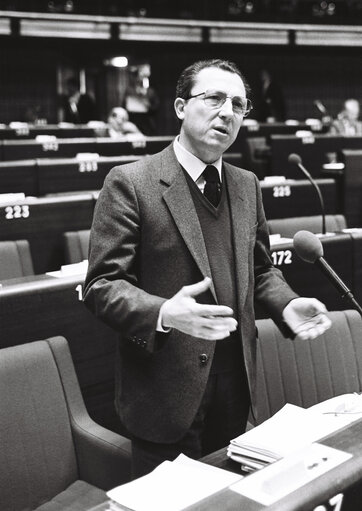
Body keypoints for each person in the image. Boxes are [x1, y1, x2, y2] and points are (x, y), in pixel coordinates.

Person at [83, 59, 331, 478]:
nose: (227, 111)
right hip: (165, 393)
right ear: (181, 107)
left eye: (238, 104)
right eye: (213, 98)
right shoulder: (131, 182)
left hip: (236, 386)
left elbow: (260, 270)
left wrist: (286, 305)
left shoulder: (246, 184)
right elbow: (103, 285)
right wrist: (164, 312)